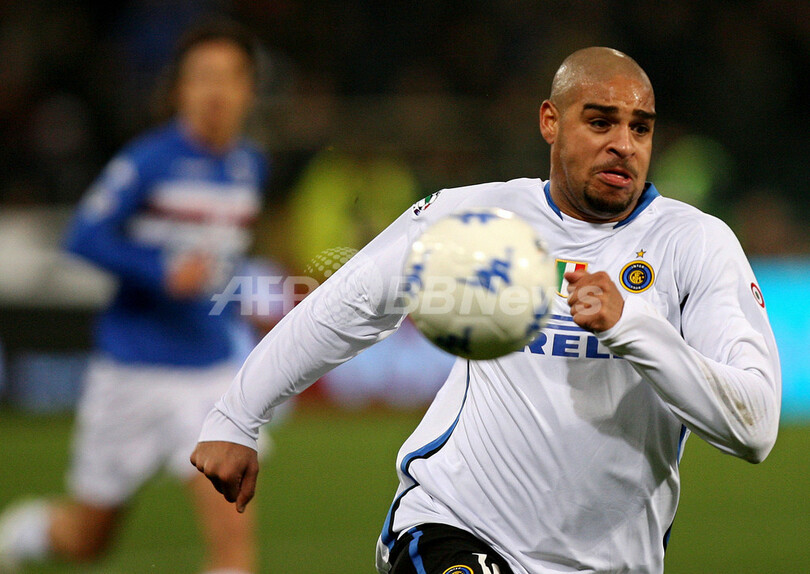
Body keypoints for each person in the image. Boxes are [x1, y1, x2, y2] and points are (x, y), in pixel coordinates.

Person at [190, 47, 781, 574]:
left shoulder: (694, 244)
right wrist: (237, 415)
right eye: (600, 122)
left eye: (640, 128)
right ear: (550, 122)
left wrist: (631, 326)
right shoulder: (475, 219)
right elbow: (349, 304)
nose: (623, 144)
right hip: (457, 525)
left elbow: (753, 428)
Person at [0, 20, 272, 574]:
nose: (217, 91)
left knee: (233, 542)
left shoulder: (250, 165)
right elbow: (83, 235)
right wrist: (160, 270)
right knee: (88, 538)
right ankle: (25, 532)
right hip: (132, 372)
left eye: (229, 77)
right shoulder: (149, 160)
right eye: (203, 76)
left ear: (248, 89)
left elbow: (223, 260)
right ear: (180, 89)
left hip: (212, 376)